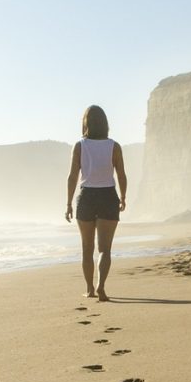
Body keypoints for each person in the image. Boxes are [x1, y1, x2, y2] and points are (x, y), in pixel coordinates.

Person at [65, 105, 127, 301]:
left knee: (87, 248)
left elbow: (72, 176)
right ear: (105, 124)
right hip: (108, 196)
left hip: (86, 197)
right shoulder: (114, 146)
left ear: (86, 123)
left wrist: (68, 204)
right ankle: (101, 286)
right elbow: (121, 175)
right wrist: (123, 197)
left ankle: (90, 288)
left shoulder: (80, 146)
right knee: (105, 249)